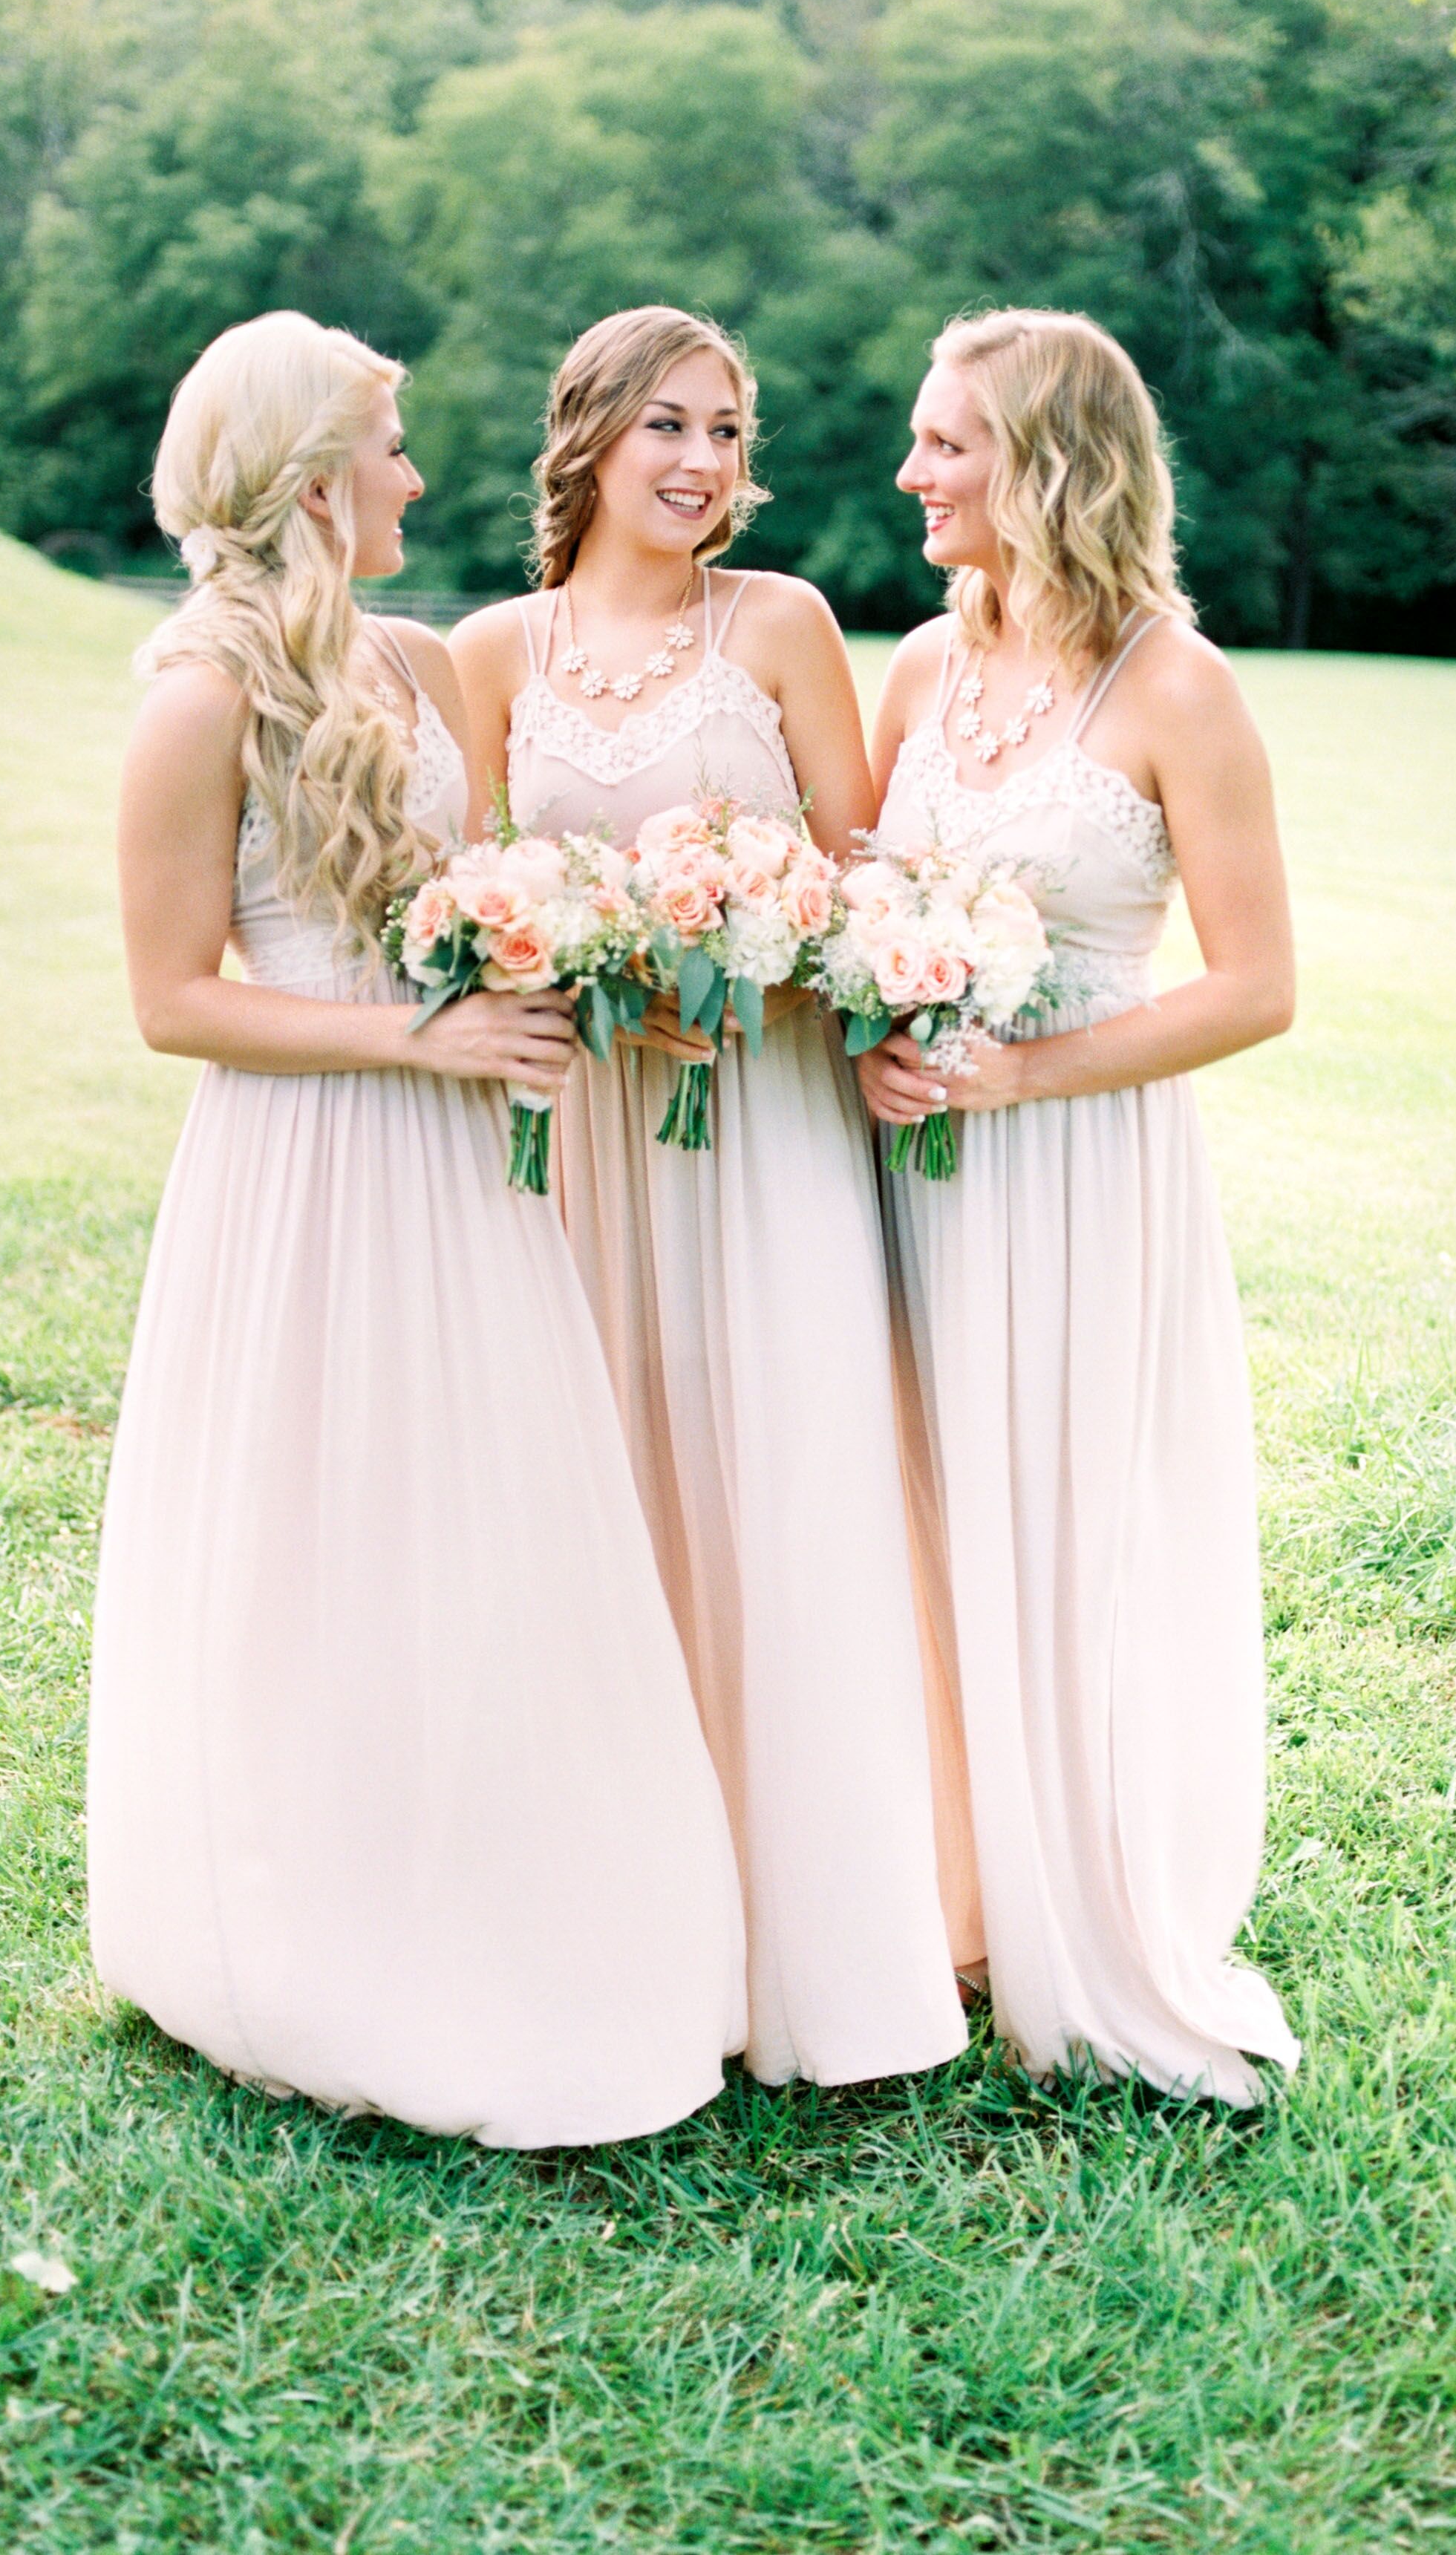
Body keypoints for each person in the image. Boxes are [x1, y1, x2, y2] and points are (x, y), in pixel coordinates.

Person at [85, 309, 745, 2149]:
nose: (420, 478)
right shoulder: (198, 696)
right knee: (322, 1527)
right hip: (306, 1168)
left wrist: (616, 966)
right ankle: (313, 1921)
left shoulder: (413, 661)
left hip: (469, 1172)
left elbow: (486, 890)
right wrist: (416, 1036)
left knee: (495, 1526)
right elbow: (173, 1000)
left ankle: (506, 1894)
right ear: (311, 481)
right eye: (391, 448)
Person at [451, 306, 971, 2089]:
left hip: (767, 1138)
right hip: (588, 1141)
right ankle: (615, 1919)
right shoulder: (490, 653)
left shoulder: (785, 626)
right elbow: (478, 902)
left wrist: (760, 969)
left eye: (731, 434)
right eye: (671, 425)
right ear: (589, 432)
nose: (704, 464)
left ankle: (816, 1943)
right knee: (604, 1496)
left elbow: (872, 878)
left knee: (789, 1487)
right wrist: (589, 975)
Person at [861, 307, 1301, 2105]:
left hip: (1075, 1169)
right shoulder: (914, 669)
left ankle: (1068, 1901)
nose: (913, 475)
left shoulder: (1178, 689)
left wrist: (1025, 1074)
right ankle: (928, 1893)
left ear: (1048, 463)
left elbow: (1257, 985)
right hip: (895, 1165)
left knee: (1054, 1525)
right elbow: (844, 901)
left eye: (948, 444)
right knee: (906, 1515)